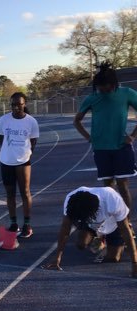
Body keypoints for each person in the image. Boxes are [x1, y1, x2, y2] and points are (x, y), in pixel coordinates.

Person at [73, 62, 137, 222]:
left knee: (123, 186)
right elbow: (77, 121)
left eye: (106, 88)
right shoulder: (92, 98)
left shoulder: (127, 93)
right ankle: (112, 224)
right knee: (108, 189)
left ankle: (126, 223)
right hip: (101, 149)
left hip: (121, 147)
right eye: (100, 88)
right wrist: (89, 138)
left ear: (113, 84)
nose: (103, 91)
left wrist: (133, 136)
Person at [43, 186, 137, 278]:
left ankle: (108, 238)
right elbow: (65, 229)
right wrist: (57, 256)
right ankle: (100, 237)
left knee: (113, 258)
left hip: (113, 224)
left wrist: (135, 263)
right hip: (91, 223)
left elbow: (124, 230)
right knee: (81, 244)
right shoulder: (71, 201)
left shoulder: (112, 199)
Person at [0, 92, 40, 238]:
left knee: (25, 192)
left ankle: (27, 224)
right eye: (13, 104)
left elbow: (33, 141)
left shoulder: (31, 121)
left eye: (19, 104)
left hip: (23, 162)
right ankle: (13, 223)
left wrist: (26, 154)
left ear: (24, 103)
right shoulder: (4, 120)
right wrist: (8, 153)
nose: (16, 107)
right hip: (6, 161)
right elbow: (1, 139)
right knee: (10, 194)